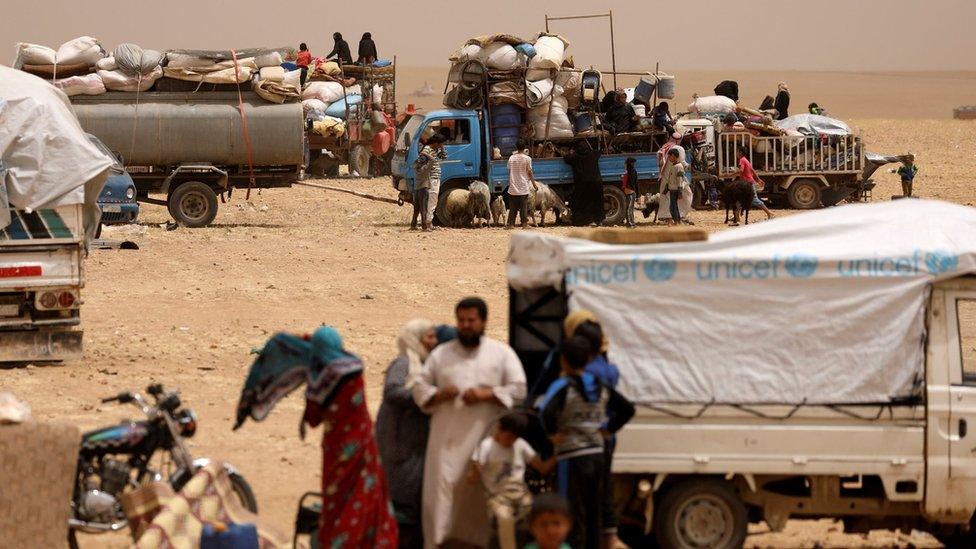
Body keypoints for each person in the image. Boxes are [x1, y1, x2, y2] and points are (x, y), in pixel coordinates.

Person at [234, 327, 398, 548]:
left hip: (336, 449)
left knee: (338, 500)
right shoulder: (355, 368)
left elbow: (313, 419)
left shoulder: (319, 380)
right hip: (364, 445)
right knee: (367, 494)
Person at [413, 297, 527, 548]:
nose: (465, 325)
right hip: (445, 444)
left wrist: (487, 394)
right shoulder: (441, 355)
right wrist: (441, 394)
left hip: (484, 444)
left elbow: (519, 389)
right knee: (439, 502)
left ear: (483, 321)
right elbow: (419, 389)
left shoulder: (501, 353)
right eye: (461, 321)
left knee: (476, 505)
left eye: (471, 321)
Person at [537, 335, 635, 549]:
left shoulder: (563, 385)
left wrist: (552, 434)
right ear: (589, 359)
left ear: (563, 360)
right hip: (598, 456)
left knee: (571, 514)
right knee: (594, 513)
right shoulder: (600, 385)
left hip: (572, 458)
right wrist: (608, 429)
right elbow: (628, 409)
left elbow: (545, 412)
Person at [376, 319, 439, 549]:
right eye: (429, 336)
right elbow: (392, 391)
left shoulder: (426, 365)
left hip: (415, 445)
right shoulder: (404, 363)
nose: (434, 341)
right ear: (415, 338)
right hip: (398, 445)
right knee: (403, 503)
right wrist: (424, 397)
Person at [468, 412, 554, 549]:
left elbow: (542, 468)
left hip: (522, 494)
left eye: (515, 438)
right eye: (508, 437)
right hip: (498, 497)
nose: (511, 442)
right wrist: (476, 470)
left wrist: (559, 451)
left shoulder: (520, 444)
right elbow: (472, 480)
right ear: (499, 428)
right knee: (505, 518)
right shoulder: (486, 446)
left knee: (543, 513)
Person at [563, 141, 604, 227]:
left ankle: (581, 221)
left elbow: (566, 158)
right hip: (596, 182)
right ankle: (598, 220)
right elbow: (600, 151)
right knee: (597, 202)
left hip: (583, 183)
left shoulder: (575, 157)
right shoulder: (593, 154)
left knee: (581, 203)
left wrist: (570, 152)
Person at [730, 145, 774, 221]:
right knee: (739, 200)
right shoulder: (746, 160)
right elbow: (752, 171)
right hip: (747, 184)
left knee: (754, 200)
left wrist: (731, 174)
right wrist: (758, 180)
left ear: (740, 152)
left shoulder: (742, 160)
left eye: (737, 151)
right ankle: (736, 217)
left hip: (747, 184)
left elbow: (741, 170)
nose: (736, 153)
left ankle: (769, 213)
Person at [418, 134, 447, 227]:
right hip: (431, 178)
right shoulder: (427, 149)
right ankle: (427, 221)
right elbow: (422, 157)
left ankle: (424, 220)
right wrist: (430, 157)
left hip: (435, 177)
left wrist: (442, 148)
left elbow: (444, 157)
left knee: (431, 200)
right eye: (440, 144)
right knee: (431, 200)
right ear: (435, 143)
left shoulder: (435, 149)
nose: (441, 146)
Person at [507, 139, 533, 229]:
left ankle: (511, 224)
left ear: (516, 147)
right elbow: (529, 172)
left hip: (513, 186)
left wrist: (509, 183)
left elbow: (509, 172)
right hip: (523, 186)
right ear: (525, 147)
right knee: (523, 206)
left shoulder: (511, 158)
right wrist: (534, 183)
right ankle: (524, 224)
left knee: (513, 207)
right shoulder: (527, 159)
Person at [659, 149, 685, 226]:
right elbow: (671, 178)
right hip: (672, 189)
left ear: (673, 156)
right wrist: (667, 188)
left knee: (672, 207)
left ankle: (677, 222)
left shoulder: (678, 167)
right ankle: (678, 221)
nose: (669, 158)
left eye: (669, 156)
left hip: (676, 189)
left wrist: (680, 191)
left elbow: (680, 179)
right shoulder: (674, 165)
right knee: (674, 206)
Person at [621, 157, 638, 228]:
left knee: (628, 209)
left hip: (630, 192)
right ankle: (630, 223)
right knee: (629, 209)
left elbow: (633, 183)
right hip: (630, 192)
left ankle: (631, 224)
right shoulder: (630, 171)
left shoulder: (630, 171)